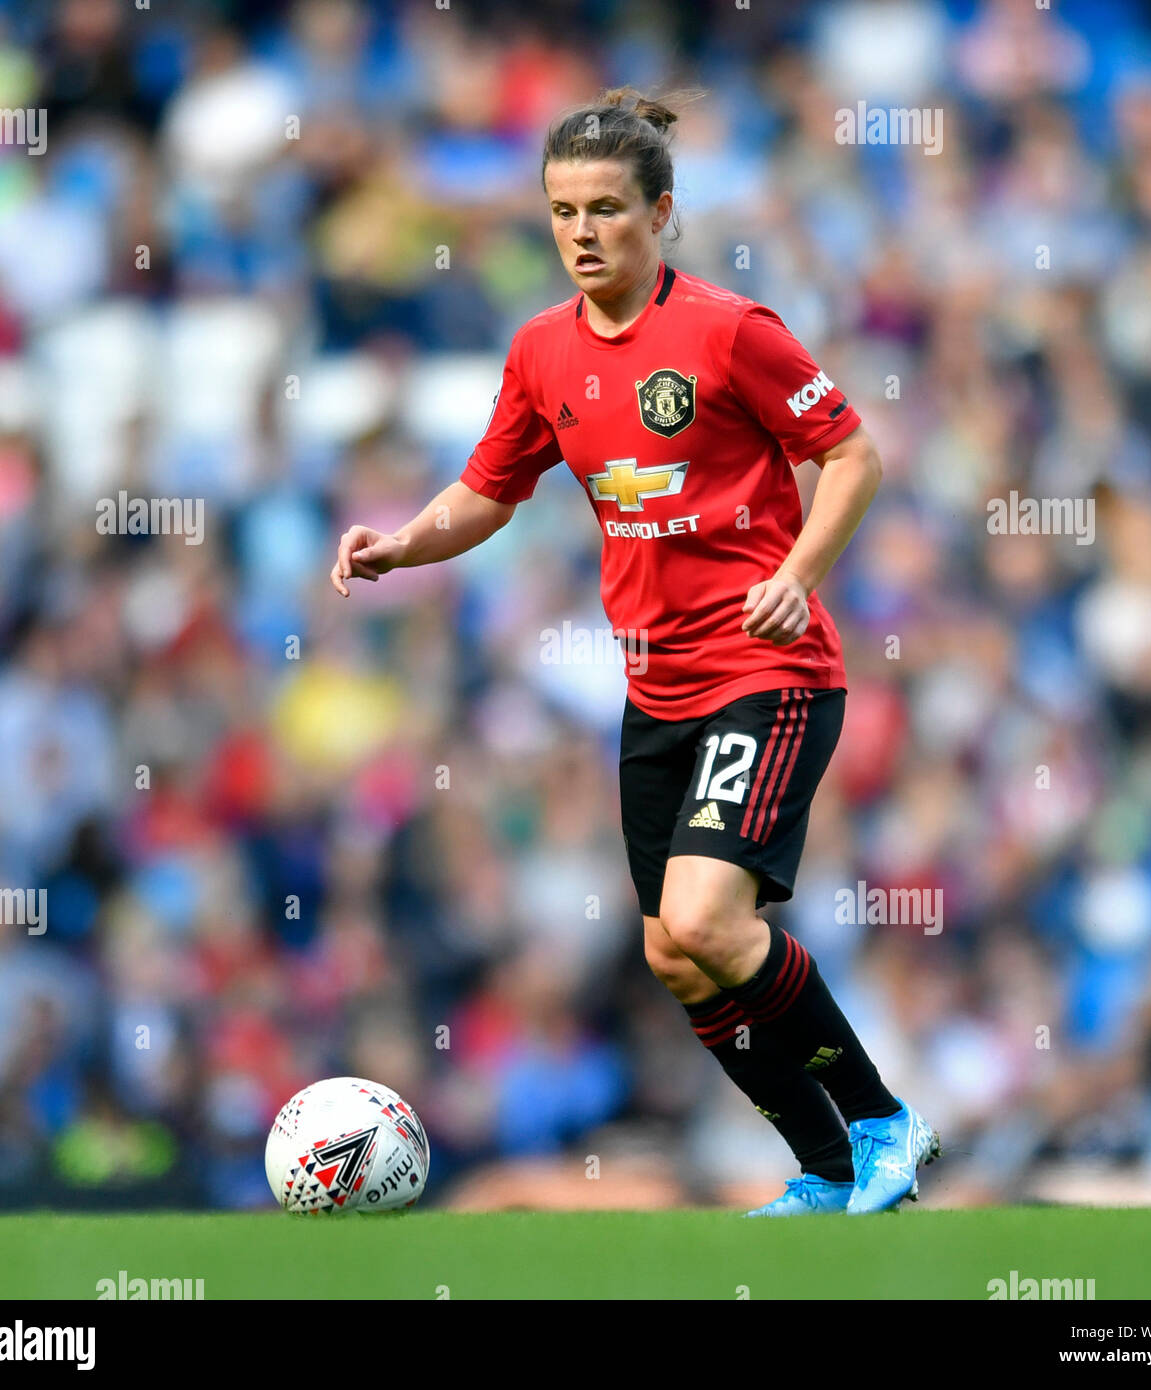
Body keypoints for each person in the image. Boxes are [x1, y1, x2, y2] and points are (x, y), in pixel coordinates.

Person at [330, 88, 939, 1214]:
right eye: (563, 210)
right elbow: (486, 491)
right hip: (654, 690)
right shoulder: (540, 351)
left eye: (606, 208)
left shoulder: (729, 331)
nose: (581, 231)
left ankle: (883, 1121)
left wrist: (794, 576)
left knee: (713, 921)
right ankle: (823, 1167)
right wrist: (402, 545)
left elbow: (851, 457)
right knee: (672, 953)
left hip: (768, 674)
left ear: (661, 213)